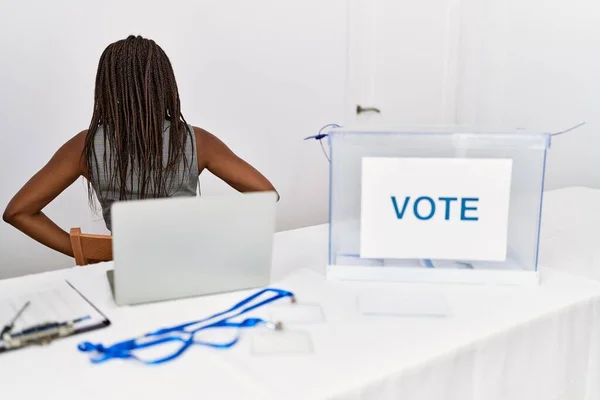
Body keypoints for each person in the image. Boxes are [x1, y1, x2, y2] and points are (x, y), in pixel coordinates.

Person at [2, 35, 277, 258]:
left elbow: (18, 212)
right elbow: (267, 194)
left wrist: (92, 252)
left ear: (107, 88)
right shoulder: (197, 141)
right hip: (192, 266)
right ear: (164, 83)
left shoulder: (83, 147)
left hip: (124, 275)